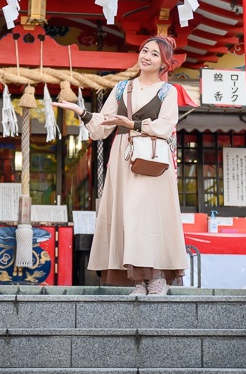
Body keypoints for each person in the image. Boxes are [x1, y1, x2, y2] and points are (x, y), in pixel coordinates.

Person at [53, 36, 187, 296]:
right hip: (124, 159)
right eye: (144, 50)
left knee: (152, 217)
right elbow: (103, 125)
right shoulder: (122, 88)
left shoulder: (167, 91)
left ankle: (157, 277)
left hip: (153, 161)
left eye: (154, 54)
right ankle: (139, 280)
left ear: (164, 64)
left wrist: (134, 125)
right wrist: (82, 112)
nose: (146, 56)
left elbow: (166, 126)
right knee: (128, 217)